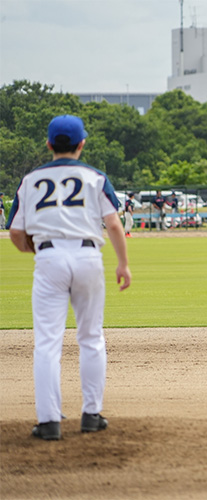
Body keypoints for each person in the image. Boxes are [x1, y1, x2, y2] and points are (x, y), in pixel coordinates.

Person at [7, 114, 132, 440]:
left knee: (47, 343)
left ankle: (49, 422)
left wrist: (41, 252)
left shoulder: (30, 180)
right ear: (81, 144)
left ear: (49, 144)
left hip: (48, 257)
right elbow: (114, 224)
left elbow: (16, 232)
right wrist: (123, 264)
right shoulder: (95, 176)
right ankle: (91, 415)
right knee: (91, 337)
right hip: (88, 255)